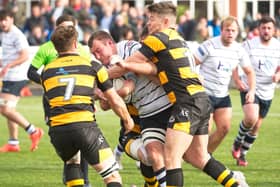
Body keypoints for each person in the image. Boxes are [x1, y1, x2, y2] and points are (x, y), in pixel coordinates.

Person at [115, 2, 249, 187]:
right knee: (198, 156)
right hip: (202, 100)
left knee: (171, 158)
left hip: (186, 104)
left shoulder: (158, 38)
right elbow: (148, 67)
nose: (148, 23)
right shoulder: (179, 40)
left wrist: (105, 75)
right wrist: (128, 66)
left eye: (152, 19)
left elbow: (129, 62)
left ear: (166, 20)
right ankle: (236, 184)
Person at [41, 25, 133, 187]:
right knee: (112, 176)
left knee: (72, 162)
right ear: (75, 43)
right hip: (84, 126)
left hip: (58, 130)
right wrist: (127, 120)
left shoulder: (46, 71)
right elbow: (113, 98)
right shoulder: (92, 65)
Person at [88, 29, 171, 187]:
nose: (97, 56)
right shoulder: (104, 68)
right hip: (133, 127)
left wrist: (110, 88)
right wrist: (103, 92)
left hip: (158, 111)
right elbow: (105, 105)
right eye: (94, 54)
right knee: (150, 156)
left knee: (183, 156)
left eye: (98, 50)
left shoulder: (129, 48)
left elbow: (132, 77)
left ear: (110, 43)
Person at [27, 14, 92, 187]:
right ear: (56, 29)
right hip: (54, 102)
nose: (67, 30)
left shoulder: (83, 50)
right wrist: (49, 83)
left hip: (79, 101)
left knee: (84, 140)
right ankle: (71, 175)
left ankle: (84, 179)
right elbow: (31, 71)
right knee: (65, 141)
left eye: (70, 27)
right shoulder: (47, 48)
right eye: (63, 27)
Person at [193, 16, 256, 154]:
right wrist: (196, 76)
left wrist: (251, 91)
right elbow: (191, 62)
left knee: (224, 128)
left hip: (222, 95)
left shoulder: (239, 50)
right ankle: (190, 153)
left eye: (233, 31)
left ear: (237, 32)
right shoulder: (209, 45)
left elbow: (250, 71)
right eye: (227, 30)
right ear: (221, 30)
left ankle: (205, 156)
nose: (230, 33)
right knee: (206, 129)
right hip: (205, 94)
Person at [231, 16, 280, 166]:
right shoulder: (249, 45)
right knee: (251, 118)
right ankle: (238, 141)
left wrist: (278, 75)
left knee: (256, 126)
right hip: (249, 87)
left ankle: (243, 155)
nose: (266, 31)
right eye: (263, 28)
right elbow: (234, 60)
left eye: (269, 28)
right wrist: (238, 80)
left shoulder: (278, 46)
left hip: (268, 90)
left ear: (274, 30)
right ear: (258, 29)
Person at [0, 9, 44, 153]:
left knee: (4, 108)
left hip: (16, 76)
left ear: (11, 19)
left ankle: (33, 131)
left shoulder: (17, 35)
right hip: (9, 76)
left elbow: (25, 56)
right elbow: (8, 56)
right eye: (1, 20)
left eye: (5, 19)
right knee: (9, 110)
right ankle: (13, 143)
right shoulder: (4, 33)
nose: (2, 23)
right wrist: (3, 63)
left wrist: (8, 65)